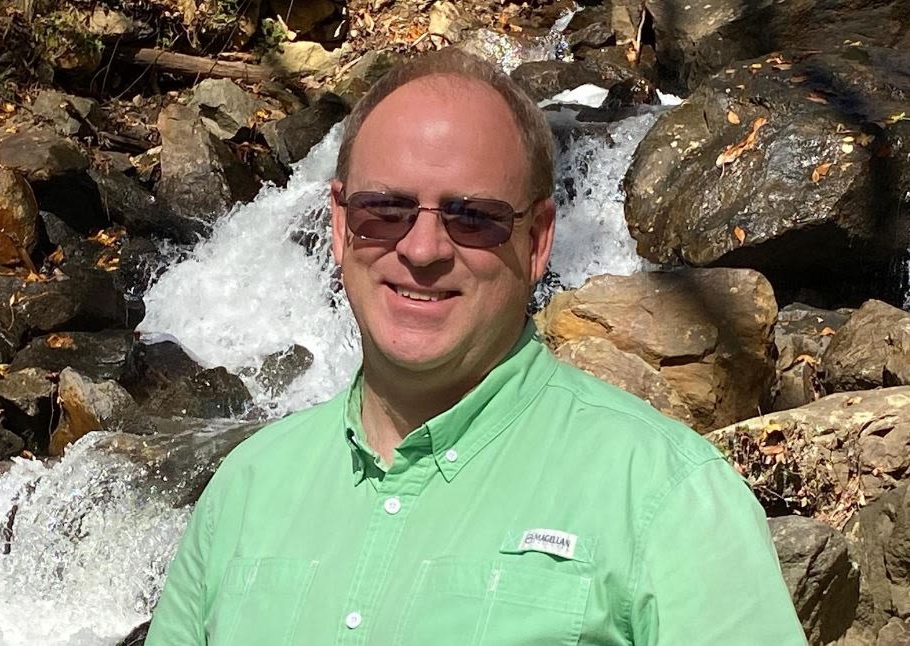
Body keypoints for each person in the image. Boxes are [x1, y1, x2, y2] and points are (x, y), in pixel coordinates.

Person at [146, 48, 807, 645]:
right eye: (386, 211)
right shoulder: (245, 491)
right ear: (341, 225)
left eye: (473, 218)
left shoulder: (667, 495)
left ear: (538, 240)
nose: (422, 250)